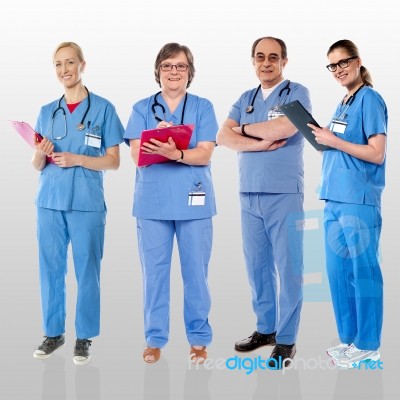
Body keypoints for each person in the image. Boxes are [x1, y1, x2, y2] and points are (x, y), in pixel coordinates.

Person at [216, 36, 311, 368]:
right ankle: (265, 329)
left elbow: (284, 127)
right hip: (248, 193)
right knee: (257, 268)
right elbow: (222, 137)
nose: (266, 62)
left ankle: (286, 340)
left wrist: (243, 130)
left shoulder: (297, 93)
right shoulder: (246, 97)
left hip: (283, 192)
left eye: (273, 57)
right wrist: (256, 141)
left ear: (284, 61)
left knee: (289, 268)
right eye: (260, 57)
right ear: (253, 61)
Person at [124, 42, 218, 364]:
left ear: (189, 72)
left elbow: (205, 152)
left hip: (194, 203)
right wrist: (159, 142)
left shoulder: (203, 107)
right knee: (155, 274)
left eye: (180, 66)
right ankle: (155, 338)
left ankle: (199, 338)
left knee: (196, 274)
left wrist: (175, 152)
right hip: (152, 203)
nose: (173, 71)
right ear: (158, 71)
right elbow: (137, 155)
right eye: (167, 66)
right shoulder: (141, 108)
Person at [31, 42, 124, 365]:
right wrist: (41, 151)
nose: (64, 70)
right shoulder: (46, 111)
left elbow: (113, 162)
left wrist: (78, 159)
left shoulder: (103, 109)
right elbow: (37, 165)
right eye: (58, 64)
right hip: (49, 201)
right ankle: (53, 333)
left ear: (83, 65)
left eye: (70, 63)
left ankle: (84, 337)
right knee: (50, 269)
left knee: (87, 270)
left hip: (86, 203)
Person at [308, 39, 386, 368]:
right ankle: (350, 340)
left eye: (343, 63)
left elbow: (376, 152)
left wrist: (334, 140)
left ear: (357, 62)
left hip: (358, 199)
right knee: (337, 273)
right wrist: (322, 136)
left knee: (363, 273)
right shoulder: (344, 101)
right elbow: (338, 144)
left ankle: (368, 344)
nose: (338, 70)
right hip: (333, 198)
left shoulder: (369, 99)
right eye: (333, 65)